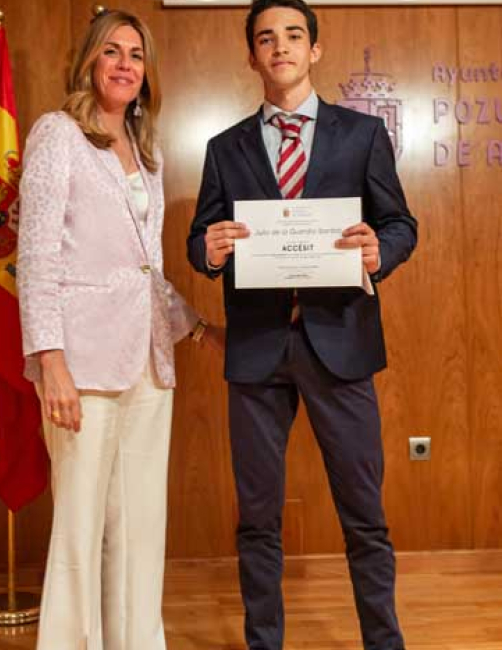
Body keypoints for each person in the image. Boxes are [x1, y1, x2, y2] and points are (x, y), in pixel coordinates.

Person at [187, 1, 417, 649]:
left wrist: (379, 251)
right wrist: (209, 251)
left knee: (364, 514)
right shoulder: (224, 148)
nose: (280, 47)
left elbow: (400, 224)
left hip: (341, 342)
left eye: (293, 35)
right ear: (252, 56)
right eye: (266, 38)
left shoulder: (362, 134)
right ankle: (264, 643)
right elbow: (199, 239)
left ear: (314, 50)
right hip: (257, 350)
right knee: (258, 519)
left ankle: (384, 642)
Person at [17, 8, 222, 650]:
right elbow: (37, 255)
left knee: (139, 529)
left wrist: (199, 329)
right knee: (80, 529)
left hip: (148, 365)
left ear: (146, 72)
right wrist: (49, 359)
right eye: (112, 51)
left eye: (136, 54)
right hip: (81, 362)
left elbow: (144, 269)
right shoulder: (57, 134)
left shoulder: (147, 151)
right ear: (89, 61)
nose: (125, 64)